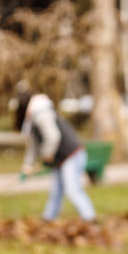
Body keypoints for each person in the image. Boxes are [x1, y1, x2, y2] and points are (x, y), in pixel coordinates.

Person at [16, 89, 96, 223]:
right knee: (56, 191)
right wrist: (27, 165)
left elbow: (53, 137)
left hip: (71, 155)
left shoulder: (41, 114)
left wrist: (47, 154)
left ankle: (90, 218)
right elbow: (34, 145)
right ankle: (48, 218)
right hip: (63, 158)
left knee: (73, 190)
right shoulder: (35, 116)